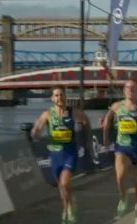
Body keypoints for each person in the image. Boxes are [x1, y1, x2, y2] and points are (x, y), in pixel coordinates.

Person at [31, 85, 93, 224]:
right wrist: (35, 132)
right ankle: (66, 208)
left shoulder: (73, 112)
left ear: (65, 96)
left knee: (65, 183)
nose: (59, 98)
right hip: (55, 156)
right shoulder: (47, 114)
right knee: (61, 186)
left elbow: (86, 120)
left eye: (61, 94)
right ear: (52, 98)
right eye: (56, 95)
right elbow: (37, 129)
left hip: (70, 154)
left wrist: (88, 137)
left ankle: (70, 208)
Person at [103, 79, 137, 224]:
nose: (130, 90)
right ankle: (123, 196)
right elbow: (107, 120)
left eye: (133, 87)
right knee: (120, 176)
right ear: (124, 90)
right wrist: (106, 137)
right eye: (127, 87)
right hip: (122, 147)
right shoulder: (117, 106)